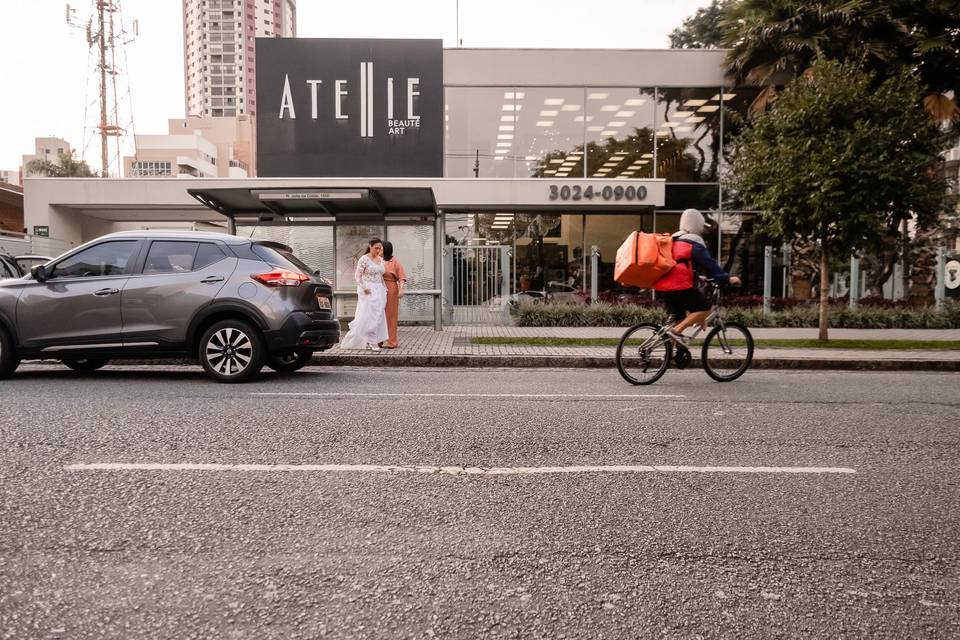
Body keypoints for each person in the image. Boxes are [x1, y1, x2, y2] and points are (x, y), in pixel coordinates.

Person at [654, 208, 741, 341]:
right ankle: (676, 331)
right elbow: (710, 265)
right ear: (697, 225)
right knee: (706, 308)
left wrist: (698, 277)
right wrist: (727, 278)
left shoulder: (674, 240)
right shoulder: (693, 243)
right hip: (679, 286)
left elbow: (679, 265)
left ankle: (669, 355)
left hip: (664, 286)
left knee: (680, 318)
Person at [339, 238, 389, 351]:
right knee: (371, 315)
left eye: (380, 248)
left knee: (379, 315)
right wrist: (364, 287)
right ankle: (372, 342)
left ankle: (371, 340)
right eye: (376, 248)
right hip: (368, 288)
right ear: (370, 246)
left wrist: (384, 288)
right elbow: (358, 275)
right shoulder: (364, 259)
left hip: (379, 289)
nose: (378, 250)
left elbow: (381, 276)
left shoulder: (380, 259)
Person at [381, 241, 407, 349]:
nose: (379, 250)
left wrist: (401, 290)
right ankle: (379, 341)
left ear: (386, 249)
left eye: (381, 248)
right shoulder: (377, 260)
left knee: (390, 316)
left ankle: (392, 341)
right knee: (378, 315)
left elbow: (402, 278)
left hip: (390, 289)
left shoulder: (395, 262)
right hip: (378, 289)